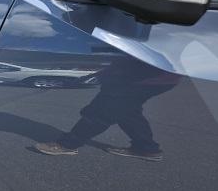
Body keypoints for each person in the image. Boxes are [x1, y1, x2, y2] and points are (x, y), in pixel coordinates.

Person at [35, 57, 180, 161]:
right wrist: (102, 73)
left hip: (141, 78)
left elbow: (135, 58)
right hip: (144, 76)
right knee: (128, 112)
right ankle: (147, 148)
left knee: (101, 111)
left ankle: (68, 144)